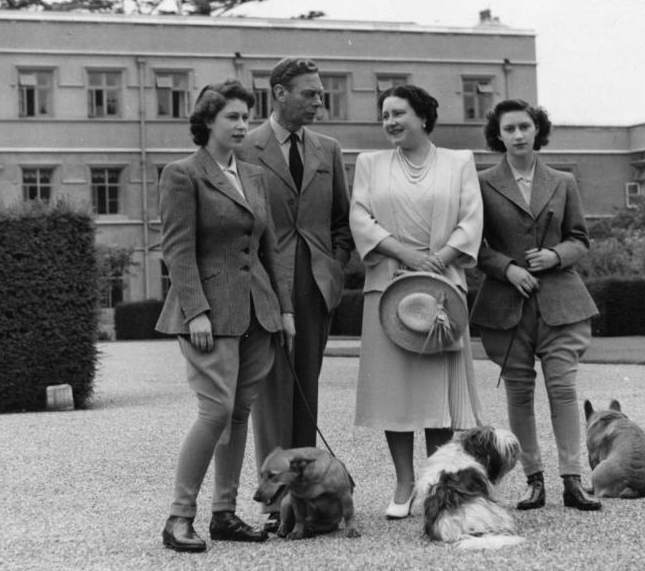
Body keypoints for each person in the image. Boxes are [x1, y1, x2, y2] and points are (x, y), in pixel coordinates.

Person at [156, 80, 295, 552]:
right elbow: (176, 250)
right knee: (215, 410)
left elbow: (270, 249)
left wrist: (286, 308)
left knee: (238, 414)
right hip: (209, 315)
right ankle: (178, 517)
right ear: (208, 122)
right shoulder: (183, 174)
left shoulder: (254, 176)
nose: (242, 125)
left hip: (258, 311)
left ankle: (224, 513)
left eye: (245, 117)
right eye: (232, 117)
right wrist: (196, 310)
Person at [350, 84, 484, 518]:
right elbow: (361, 217)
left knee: (438, 390)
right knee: (395, 389)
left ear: (423, 117)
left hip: (442, 284)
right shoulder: (369, 164)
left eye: (398, 112)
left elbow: (470, 218)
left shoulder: (459, 162)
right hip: (389, 286)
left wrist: (438, 261)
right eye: (384, 114)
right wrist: (404, 254)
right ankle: (404, 481)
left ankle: (437, 479)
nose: (389, 121)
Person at [471, 99, 602, 512]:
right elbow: (473, 246)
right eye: (509, 129)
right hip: (507, 304)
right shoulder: (481, 182)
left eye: (525, 126)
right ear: (499, 135)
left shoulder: (562, 181)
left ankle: (572, 481)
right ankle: (534, 481)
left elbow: (580, 238)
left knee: (563, 389)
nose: (518, 135)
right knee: (519, 392)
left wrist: (555, 256)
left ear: (537, 130)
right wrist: (508, 269)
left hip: (560, 303)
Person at [241, 58, 353, 532]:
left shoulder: (328, 149)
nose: (319, 101)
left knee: (305, 389)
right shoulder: (245, 146)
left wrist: (334, 265)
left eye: (321, 93)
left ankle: (301, 501)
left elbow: (342, 221)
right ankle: (271, 501)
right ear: (280, 93)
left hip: (314, 286)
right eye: (310, 93)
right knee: (270, 391)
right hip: (265, 282)